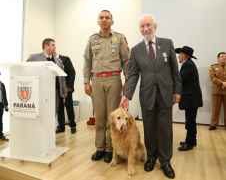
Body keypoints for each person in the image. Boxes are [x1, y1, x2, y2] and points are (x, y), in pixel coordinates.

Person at [120, 14, 181, 179]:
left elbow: (175, 70)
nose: (145, 29)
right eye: (142, 26)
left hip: (166, 94)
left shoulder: (167, 44)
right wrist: (127, 95)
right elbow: (133, 76)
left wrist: (177, 90)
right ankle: (151, 158)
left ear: (155, 26)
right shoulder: (136, 50)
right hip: (147, 95)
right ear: (140, 29)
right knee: (150, 129)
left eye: (148, 25)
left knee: (165, 130)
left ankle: (165, 161)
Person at [83, 10, 130, 163]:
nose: (104, 20)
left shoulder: (120, 38)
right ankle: (100, 148)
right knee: (99, 118)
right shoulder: (92, 39)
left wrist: (127, 80)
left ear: (112, 21)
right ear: (98, 22)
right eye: (101, 18)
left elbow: (126, 61)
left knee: (112, 117)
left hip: (113, 81)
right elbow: (87, 62)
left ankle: (110, 149)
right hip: (96, 81)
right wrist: (86, 82)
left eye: (107, 18)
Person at [27, 38, 67, 115]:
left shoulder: (59, 61)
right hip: (41, 92)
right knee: (42, 114)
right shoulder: (34, 57)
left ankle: (51, 127)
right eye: (53, 45)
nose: (55, 47)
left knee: (53, 114)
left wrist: (64, 90)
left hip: (55, 92)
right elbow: (28, 72)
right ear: (46, 46)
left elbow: (62, 77)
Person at [175, 46, 203, 151]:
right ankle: (191, 140)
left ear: (185, 55)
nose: (178, 56)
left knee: (190, 121)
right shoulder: (188, 64)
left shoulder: (188, 65)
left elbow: (180, 80)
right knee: (190, 120)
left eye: (180, 54)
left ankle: (190, 142)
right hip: (191, 98)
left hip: (191, 99)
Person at [53, 52, 77, 134]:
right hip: (56, 89)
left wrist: (69, 86)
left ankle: (72, 125)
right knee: (59, 107)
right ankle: (61, 126)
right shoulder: (51, 62)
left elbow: (72, 72)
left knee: (69, 106)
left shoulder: (65, 59)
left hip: (66, 88)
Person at [209, 52, 226, 130]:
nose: (224, 58)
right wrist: (222, 83)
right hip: (217, 91)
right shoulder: (213, 67)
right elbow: (212, 77)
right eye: (222, 56)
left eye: (225, 56)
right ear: (218, 58)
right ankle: (214, 125)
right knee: (216, 109)